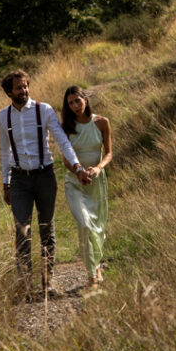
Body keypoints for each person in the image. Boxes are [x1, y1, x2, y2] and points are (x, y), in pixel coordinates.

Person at [0, 69, 91, 300]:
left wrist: (77, 166)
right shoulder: (3, 116)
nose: (24, 90)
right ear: (9, 91)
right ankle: (26, 288)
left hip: (45, 176)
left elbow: (62, 141)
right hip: (19, 179)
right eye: (19, 87)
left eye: (26, 85)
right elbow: (5, 151)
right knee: (22, 232)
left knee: (47, 229)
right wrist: (5, 183)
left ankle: (47, 284)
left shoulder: (44, 110)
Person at [61, 85, 112, 294]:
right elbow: (65, 159)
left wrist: (98, 168)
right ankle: (91, 275)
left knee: (98, 226)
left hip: (97, 181)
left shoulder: (102, 123)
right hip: (75, 182)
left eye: (77, 101)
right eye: (70, 103)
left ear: (85, 100)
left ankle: (97, 265)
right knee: (84, 225)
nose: (74, 106)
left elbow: (109, 153)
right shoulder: (67, 128)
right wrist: (79, 171)